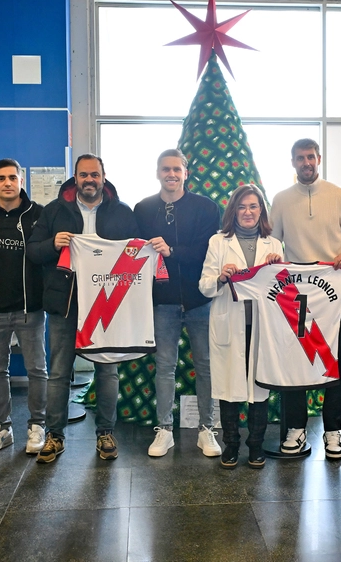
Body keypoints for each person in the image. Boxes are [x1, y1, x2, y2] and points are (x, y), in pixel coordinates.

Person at [28, 154, 139, 463]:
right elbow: (33, 252)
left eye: (95, 174)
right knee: (60, 372)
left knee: (108, 370)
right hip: (65, 304)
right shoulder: (54, 211)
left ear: (104, 177)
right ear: (74, 178)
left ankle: (105, 432)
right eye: (84, 175)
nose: (89, 180)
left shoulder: (122, 212)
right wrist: (53, 243)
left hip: (106, 306)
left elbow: (135, 253)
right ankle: (55, 436)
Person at [270, 138, 341, 459]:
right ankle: (296, 430)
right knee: (294, 364)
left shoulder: (339, 196)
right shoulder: (281, 200)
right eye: (300, 158)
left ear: (319, 158)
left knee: (335, 366)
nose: (306, 162)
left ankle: (333, 432)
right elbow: (272, 242)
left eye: (311, 157)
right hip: (296, 299)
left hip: (335, 296)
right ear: (293, 162)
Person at [134, 148, 222, 458]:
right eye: (165, 169)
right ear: (157, 172)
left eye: (176, 169)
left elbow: (206, 251)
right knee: (164, 367)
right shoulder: (143, 209)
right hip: (162, 302)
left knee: (206, 366)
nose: (171, 174)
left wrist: (172, 251)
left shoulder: (206, 208)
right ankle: (164, 429)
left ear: (186, 173)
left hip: (200, 300)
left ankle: (207, 429)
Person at [199, 184, 283, 468]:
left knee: (259, 388)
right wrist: (220, 277)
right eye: (242, 207)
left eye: (254, 207)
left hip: (262, 327)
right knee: (229, 387)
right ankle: (231, 445)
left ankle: (256, 446)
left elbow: (284, 288)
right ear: (233, 210)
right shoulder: (218, 242)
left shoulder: (274, 244)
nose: (248, 212)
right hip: (229, 324)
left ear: (261, 210)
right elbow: (204, 286)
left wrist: (279, 266)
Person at [0, 159, 47, 455]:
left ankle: (37, 425)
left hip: (30, 308)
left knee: (36, 369)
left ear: (21, 180)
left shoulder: (36, 214)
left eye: (12, 177)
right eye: (1, 178)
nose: (7, 183)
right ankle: (2, 427)